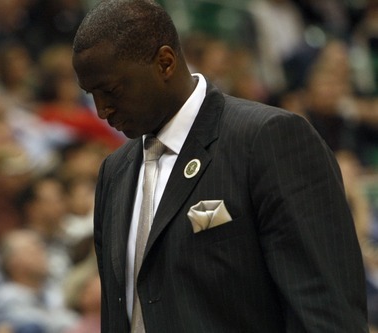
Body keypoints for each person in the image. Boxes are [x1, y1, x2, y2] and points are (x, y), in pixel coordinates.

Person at [71, 1, 368, 332]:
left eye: (110, 90)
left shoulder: (267, 139)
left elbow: (326, 310)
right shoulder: (114, 173)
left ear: (165, 63)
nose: (101, 110)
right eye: (91, 94)